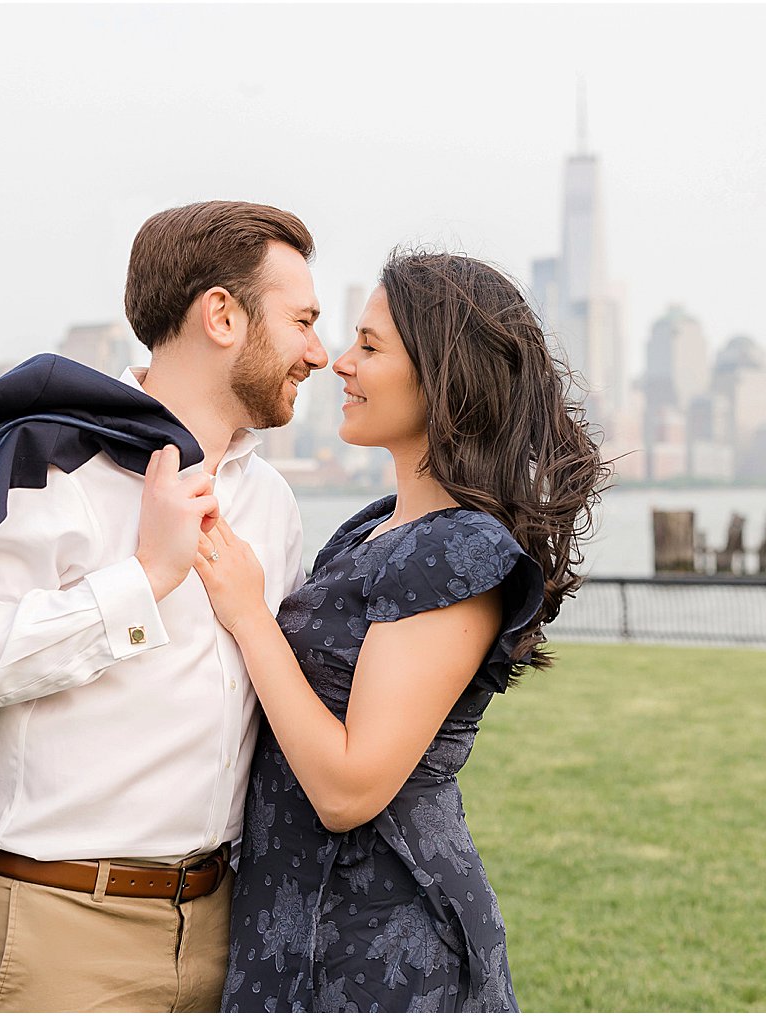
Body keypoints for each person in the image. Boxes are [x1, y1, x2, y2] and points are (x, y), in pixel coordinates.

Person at [0, 200, 328, 1012]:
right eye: (302, 321)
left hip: (225, 928)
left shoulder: (272, 503)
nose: (320, 353)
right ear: (221, 316)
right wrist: (142, 580)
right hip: (56, 935)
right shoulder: (53, 471)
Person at [191, 251, 609, 1012]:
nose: (340, 364)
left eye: (371, 347)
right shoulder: (370, 530)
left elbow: (349, 789)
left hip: (383, 946)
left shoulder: (461, 553)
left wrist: (250, 614)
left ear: (443, 376)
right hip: (290, 920)